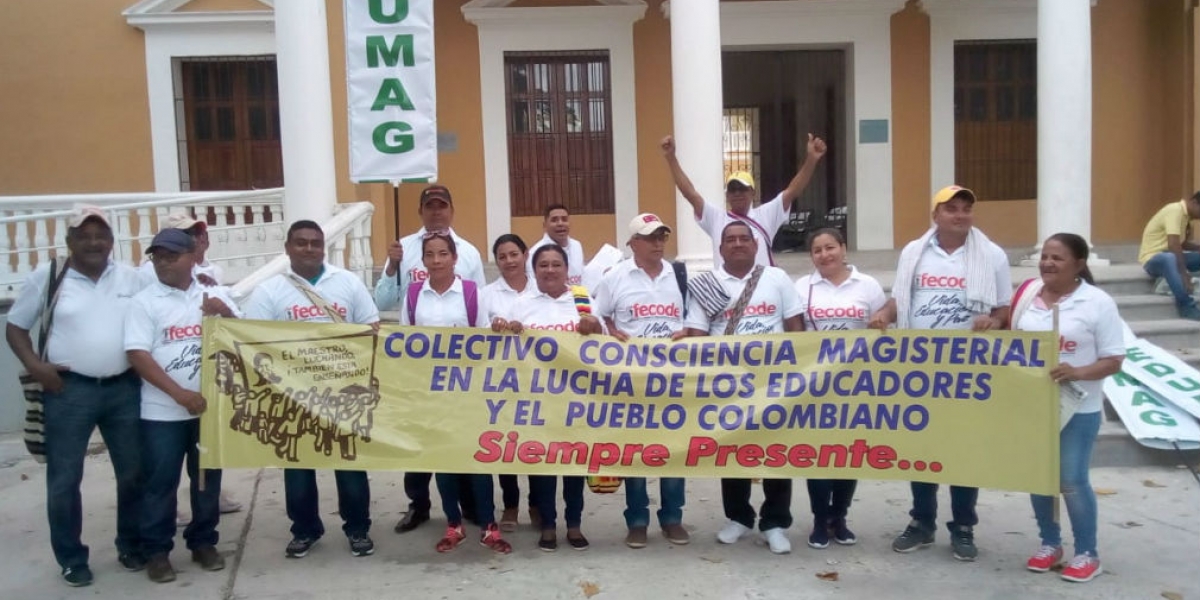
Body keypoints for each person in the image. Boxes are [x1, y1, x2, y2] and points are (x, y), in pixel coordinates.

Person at [868, 184, 1012, 562]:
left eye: (966, 208)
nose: (960, 214)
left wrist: (994, 322)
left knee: (963, 450)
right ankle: (922, 522)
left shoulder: (992, 255)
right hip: (921, 369)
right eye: (951, 209)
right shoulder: (914, 253)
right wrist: (884, 315)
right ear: (936, 215)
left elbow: (1003, 310)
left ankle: (963, 526)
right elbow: (901, 300)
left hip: (968, 371)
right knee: (923, 448)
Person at [5, 206, 146, 587]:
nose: (93, 242)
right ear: (69, 242)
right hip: (68, 390)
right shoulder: (49, 277)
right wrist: (36, 366)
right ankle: (71, 557)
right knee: (65, 478)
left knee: (133, 473)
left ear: (112, 243)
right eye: (83, 236)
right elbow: (15, 327)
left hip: (124, 388)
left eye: (100, 235)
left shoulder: (131, 278)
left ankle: (131, 545)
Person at [244, 220, 380, 559]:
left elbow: (372, 328)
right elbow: (253, 340)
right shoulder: (269, 291)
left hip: (342, 393)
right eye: (301, 243)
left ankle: (358, 528)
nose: (309, 249)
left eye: (315, 243)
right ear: (287, 248)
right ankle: (305, 530)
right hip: (293, 396)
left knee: (348, 464)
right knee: (298, 467)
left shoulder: (347, 282)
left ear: (324, 248)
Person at [125, 229, 240, 582]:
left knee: (206, 479)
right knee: (160, 482)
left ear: (193, 257)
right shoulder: (145, 301)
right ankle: (157, 551)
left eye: (171, 256)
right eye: (157, 256)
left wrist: (226, 315)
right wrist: (179, 394)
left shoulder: (213, 292)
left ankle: (203, 541)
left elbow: (246, 340)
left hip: (208, 410)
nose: (163, 263)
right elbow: (137, 355)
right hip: (162, 412)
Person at [683, 221, 803, 554]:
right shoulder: (706, 284)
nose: (737, 244)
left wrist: (800, 372)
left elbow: (796, 327)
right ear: (720, 248)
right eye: (730, 239)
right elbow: (696, 335)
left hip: (775, 383)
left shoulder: (776, 279)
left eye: (743, 239)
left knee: (776, 453)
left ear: (755, 245)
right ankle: (738, 517)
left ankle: (775, 522)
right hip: (729, 386)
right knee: (732, 450)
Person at [1013, 233, 1124, 583]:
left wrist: (1077, 372)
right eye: (1045, 256)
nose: (1047, 263)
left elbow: (1114, 360)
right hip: (1033, 407)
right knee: (1040, 478)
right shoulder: (1028, 296)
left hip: (1080, 407)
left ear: (1078, 264)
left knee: (1072, 480)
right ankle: (1050, 543)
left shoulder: (1097, 303)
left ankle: (1087, 552)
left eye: (1057, 258)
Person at [377, 184, 485, 534]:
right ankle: (418, 505)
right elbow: (384, 302)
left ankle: (469, 506)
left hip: (462, 379)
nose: (436, 212)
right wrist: (393, 264)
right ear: (421, 211)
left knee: (461, 440)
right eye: (430, 206)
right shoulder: (404, 249)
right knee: (420, 444)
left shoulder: (468, 251)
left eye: (442, 206)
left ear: (451, 210)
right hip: (422, 380)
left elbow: (480, 310)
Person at [400, 230, 512, 554]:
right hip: (431, 393)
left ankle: (489, 526)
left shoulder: (470, 292)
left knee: (476, 459)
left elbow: (482, 342)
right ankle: (454, 523)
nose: (436, 261)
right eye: (430, 255)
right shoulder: (413, 294)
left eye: (442, 254)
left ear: (454, 258)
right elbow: (405, 345)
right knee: (444, 460)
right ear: (422, 261)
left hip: (467, 391)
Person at [492, 244, 605, 551]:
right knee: (542, 465)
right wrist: (508, 331)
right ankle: (548, 525)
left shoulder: (583, 301)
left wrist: (595, 327)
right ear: (535, 270)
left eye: (557, 264)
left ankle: (574, 524)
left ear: (567, 270)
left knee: (573, 465)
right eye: (544, 265)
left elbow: (606, 348)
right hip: (536, 401)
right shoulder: (521, 304)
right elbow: (503, 350)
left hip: (576, 401)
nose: (550, 270)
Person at [593, 213, 690, 549]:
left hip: (672, 379)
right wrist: (610, 330)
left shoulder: (678, 274)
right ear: (633, 242)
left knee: (673, 449)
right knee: (634, 450)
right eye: (650, 237)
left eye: (662, 236)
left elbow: (693, 317)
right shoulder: (615, 278)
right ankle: (637, 520)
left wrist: (688, 331)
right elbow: (598, 314)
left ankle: (673, 518)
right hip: (631, 381)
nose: (658, 243)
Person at [792, 227, 887, 549]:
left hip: (857, 385)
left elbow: (883, 328)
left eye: (830, 247)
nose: (824, 255)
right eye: (817, 250)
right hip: (814, 386)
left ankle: (839, 517)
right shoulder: (802, 287)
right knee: (817, 456)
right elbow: (793, 333)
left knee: (849, 454)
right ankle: (820, 519)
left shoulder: (868, 286)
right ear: (811, 257)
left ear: (843, 249)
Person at [661, 133, 826, 268]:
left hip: (762, 292)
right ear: (727, 195)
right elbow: (689, 193)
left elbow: (793, 190)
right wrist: (671, 158)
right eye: (732, 189)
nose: (737, 193)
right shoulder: (716, 218)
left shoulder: (766, 215)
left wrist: (811, 159)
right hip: (728, 292)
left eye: (742, 189)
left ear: (752, 192)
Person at [481, 233, 537, 532]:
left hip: (539, 382)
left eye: (514, 254)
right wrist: (493, 328)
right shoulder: (486, 294)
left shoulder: (542, 288)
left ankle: (538, 506)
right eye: (502, 256)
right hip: (500, 381)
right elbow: (473, 332)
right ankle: (511, 506)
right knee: (506, 446)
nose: (509, 261)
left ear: (525, 254)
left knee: (538, 443)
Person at [1138, 192, 1200, 320]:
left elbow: (1182, 244)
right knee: (1170, 258)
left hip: (1170, 256)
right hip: (1153, 259)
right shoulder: (1175, 211)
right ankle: (1186, 305)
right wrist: (1184, 274)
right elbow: (1173, 244)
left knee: (1174, 258)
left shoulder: (1187, 218)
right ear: (1194, 203)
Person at [138, 212, 224, 288]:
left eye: (197, 232)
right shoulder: (150, 270)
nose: (197, 238)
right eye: (188, 233)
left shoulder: (212, 270)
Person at [527, 204, 586, 285]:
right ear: (544, 225)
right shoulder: (535, 253)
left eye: (564, 219)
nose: (560, 224)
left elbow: (581, 276)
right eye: (554, 220)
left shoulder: (577, 245)